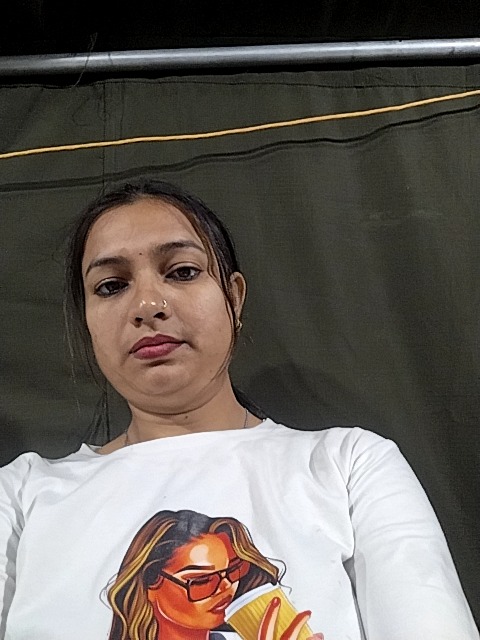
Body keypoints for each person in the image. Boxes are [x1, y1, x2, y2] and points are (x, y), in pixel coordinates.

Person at [0, 179, 477, 640]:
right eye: (110, 286)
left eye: (182, 272)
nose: (147, 304)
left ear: (234, 297)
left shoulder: (350, 465)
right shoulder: (21, 494)